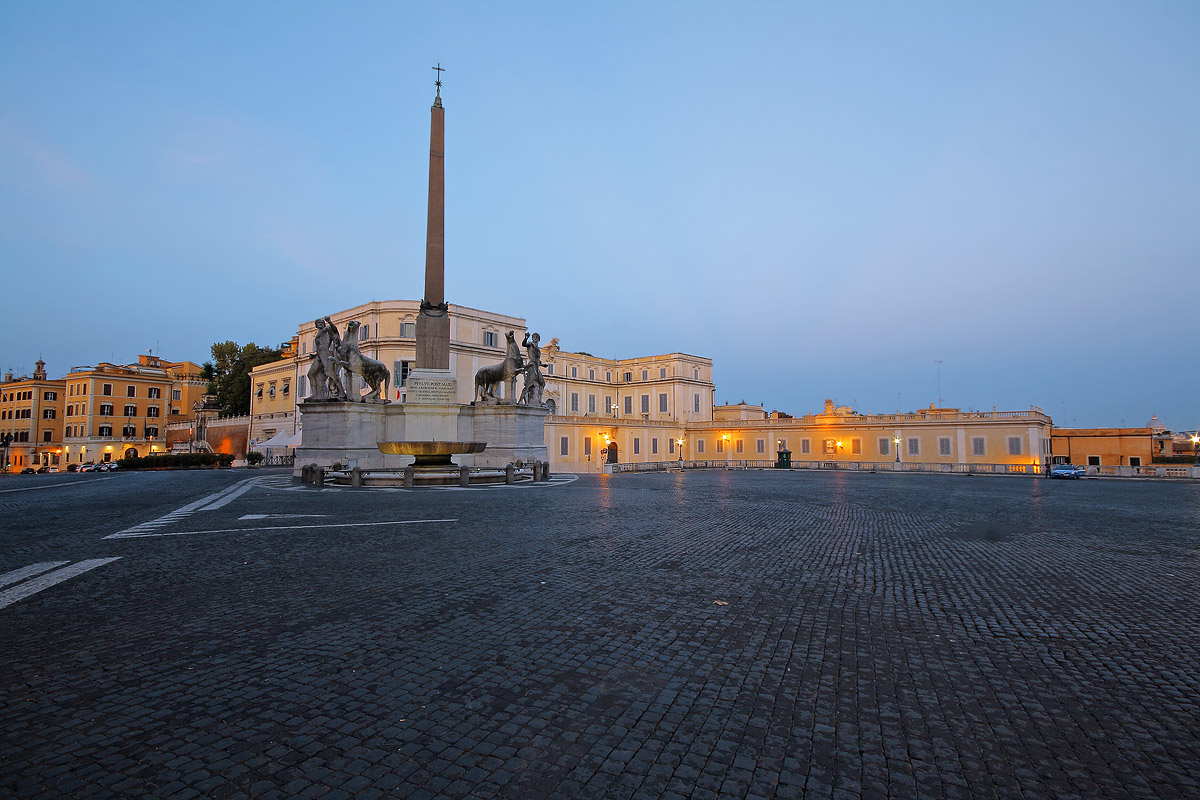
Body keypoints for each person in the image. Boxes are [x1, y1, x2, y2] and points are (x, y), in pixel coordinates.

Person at [520, 332, 545, 406]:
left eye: (537, 337)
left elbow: (538, 360)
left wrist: (543, 365)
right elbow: (523, 344)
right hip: (531, 366)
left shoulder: (538, 349)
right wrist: (526, 338)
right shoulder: (530, 344)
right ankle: (521, 400)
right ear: (532, 338)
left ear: (539, 339)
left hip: (537, 367)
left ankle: (539, 400)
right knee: (528, 385)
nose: (535, 338)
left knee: (542, 383)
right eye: (534, 337)